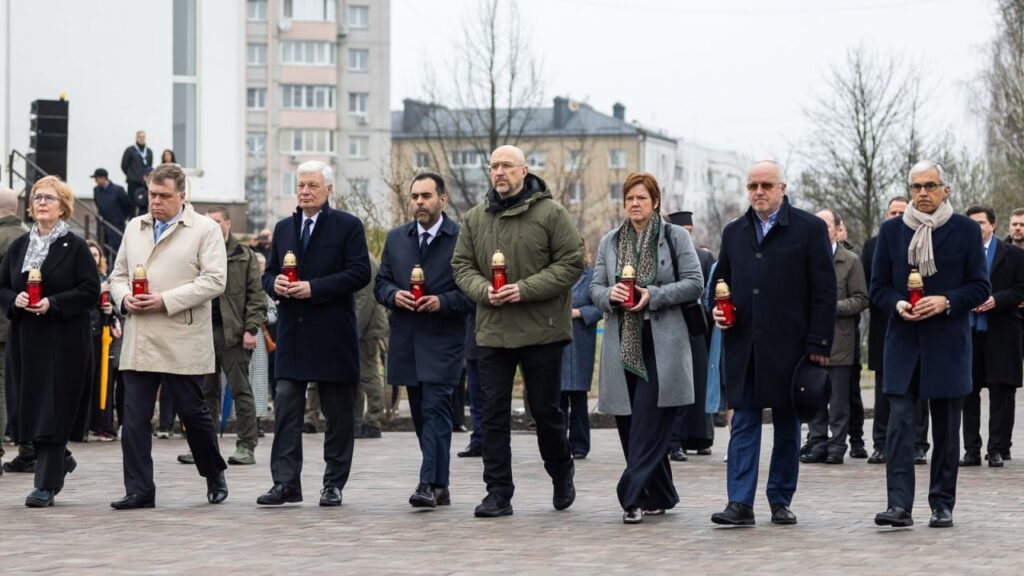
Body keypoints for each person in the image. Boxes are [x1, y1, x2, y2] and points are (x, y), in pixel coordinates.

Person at [451, 144, 583, 518]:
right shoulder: (476, 218)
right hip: (493, 331)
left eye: (507, 165)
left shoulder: (551, 213)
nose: (499, 172)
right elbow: (461, 266)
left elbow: (572, 261)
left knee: (546, 412)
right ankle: (498, 492)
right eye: (494, 166)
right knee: (491, 415)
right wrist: (483, 291)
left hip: (542, 331)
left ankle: (561, 472)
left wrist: (524, 289)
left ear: (525, 171)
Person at [710, 160, 836, 526]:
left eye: (766, 185)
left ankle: (780, 499)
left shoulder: (810, 229)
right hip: (744, 346)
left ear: (783, 188)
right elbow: (721, 282)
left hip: (792, 349)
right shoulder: (734, 231)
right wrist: (718, 310)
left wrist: (819, 345)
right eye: (752, 186)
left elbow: (825, 292)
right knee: (744, 423)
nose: (759, 192)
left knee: (786, 426)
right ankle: (739, 503)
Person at [871, 160, 989, 529]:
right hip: (903, 343)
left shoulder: (965, 230)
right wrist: (897, 304)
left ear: (945, 190)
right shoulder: (891, 232)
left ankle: (942, 504)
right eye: (917, 186)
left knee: (946, 430)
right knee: (900, 427)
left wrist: (947, 301)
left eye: (930, 186)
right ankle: (899, 505)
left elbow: (980, 286)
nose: (923, 193)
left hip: (947, 344)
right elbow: (877, 288)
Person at [109, 162, 229, 509]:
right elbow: (117, 274)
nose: (155, 202)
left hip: (182, 334)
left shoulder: (204, 229)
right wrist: (123, 297)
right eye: (151, 194)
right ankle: (139, 489)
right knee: (133, 419)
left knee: (193, 414)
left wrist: (165, 300)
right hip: (140, 336)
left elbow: (214, 281)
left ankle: (213, 471)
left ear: (182, 196)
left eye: (164, 195)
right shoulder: (135, 227)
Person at [591, 172, 704, 524]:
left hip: (662, 344)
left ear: (655, 202)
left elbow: (695, 284)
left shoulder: (673, 238)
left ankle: (632, 496)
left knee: (647, 421)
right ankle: (662, 493)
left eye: (641, 198)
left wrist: (651, 295)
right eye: (629, 198)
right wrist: (609, 296)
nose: (634, 204)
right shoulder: (610, 241)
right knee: (628, 423)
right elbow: (594, 287)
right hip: (621, 342)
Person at [258, 160, 370, 507]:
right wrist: (272, 283)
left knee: (337, 414)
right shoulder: (284, 227)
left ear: (329, 190)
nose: (305, 192)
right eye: (301, 185)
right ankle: (285, 482)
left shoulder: (347, 226)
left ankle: (333, 482)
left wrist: (314, 288)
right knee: (288, 406)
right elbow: (271, 271)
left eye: (312, 186)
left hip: (332, 333)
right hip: (294, 333)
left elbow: (359, 272)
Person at [0, 176, 100, 506]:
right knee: (27, 407)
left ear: (63, 207)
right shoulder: (18, 247)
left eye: (50, 198)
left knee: (53, 409)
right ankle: (60, 460)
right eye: (37, 198)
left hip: (63, 340)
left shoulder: (75, 247)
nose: (42, 203)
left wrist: (54, 304)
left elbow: (89, 291)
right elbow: (1, 287)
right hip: (25, 340)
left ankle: (45, 485)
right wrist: (13, 300)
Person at [375, 172, 472, 508]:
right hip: (406, 340)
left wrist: (442, 302)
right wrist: (394, 295)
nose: (419, 202)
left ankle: (426, 483)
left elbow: (472, 291)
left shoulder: (461, 238)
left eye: (426, 196)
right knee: (420, 414)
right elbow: (381, 283)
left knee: (435, 409)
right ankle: (440, 484)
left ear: (442, 200)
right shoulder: (396, 238)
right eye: (415, 196)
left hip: (443, 341)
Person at [177, 207, 267, 466]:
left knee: (240, 391)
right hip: (201, 333)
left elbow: (255, 296)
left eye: (217, 221)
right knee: (204, 394)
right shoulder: (197, 252)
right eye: (209, 222)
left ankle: (246, 446)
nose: (213, 226)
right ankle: (203, 447)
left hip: (234, 334)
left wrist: (251, 329)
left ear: (228, 223)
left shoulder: (243, 256)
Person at [862, 197, 930, 465]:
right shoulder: (873, 244)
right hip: (886, 324)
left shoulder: (924, 239)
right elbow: (872, 285)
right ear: (886, 214)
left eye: (902, 212)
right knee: (883, 390)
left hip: (921, 323)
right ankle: (881, 443)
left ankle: (918, 443)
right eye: (893, 212)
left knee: (920, 389)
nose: (897, 215)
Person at [802, 209, 868, 465]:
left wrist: (832, 306)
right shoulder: (804, 258)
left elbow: (861, 299)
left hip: (839, 340)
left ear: (837, 229)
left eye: (825, 224)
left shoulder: (849, 261)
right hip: (810, 340)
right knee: (814, 395)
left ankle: (837, 444)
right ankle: (817, 442)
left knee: (839, 399)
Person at [961, 205, 1024, 467]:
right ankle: (971, 449)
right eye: (972, 224)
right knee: (968, 393)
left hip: (1001, 331)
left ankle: (997, 448)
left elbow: (1020, 288)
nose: (977, 228)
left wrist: (995, 301)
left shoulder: (1013, 254)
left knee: (1000, 392)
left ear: (993, 225)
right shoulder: (960, 254)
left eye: (981, 223)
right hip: (969, 334)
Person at [666, 210, 716, 460]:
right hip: (670, 327)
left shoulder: (704, 258)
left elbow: (711, 292)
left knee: (699, 381)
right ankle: (674, 440)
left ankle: (701, 436)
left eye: (688, 231)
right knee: (676, 384)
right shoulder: (664, 258)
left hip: (697, 327)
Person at [561, 238, 601, 460]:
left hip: (580, 341)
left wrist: (579, 313)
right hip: (556, 341)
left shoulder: (592, 276)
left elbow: (601, 306)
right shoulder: (555, 273)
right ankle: (558, 444)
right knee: (556, 397)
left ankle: (579, 445)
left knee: (577, 397)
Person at [0, 187, 27, 474]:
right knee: (24, 386)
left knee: (2, 389)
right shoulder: (28, 236)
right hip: (26, 322)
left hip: (3, 324)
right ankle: (30, 449)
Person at [85, 239, 121, 442]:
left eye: (96, 255)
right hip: (85, 336)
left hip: (103, 336)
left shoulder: (105, 278)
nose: (93, 258)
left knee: (104, 382)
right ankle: (83, 425)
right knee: (86, 381)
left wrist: (111, 309)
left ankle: (102, 425)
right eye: (89, 254)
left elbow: (117, 305)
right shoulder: (78, 278)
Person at [354, 257, 387, 439]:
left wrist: (354, 330)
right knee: (357, 377)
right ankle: (356, 421)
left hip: (367, 328)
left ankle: (373, 420)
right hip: (364, 326)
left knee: (368, 374)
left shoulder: (365, 261)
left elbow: (365, 300)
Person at [90, 168, 131, 259]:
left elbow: (126, 205)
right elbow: (97, 203)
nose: (95, 181)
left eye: (96, 178)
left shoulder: (118, 190)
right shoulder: (96, 190)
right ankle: (105, 269)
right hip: (102, 223)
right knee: (102, 247)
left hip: (116, 223)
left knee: (116, 248)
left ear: (103, 178)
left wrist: (122, 217)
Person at [120, 130, 153, 208]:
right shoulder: (130, 150)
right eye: (139, 137)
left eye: (143, 137)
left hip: (145, 183)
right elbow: (124, 165)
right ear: (136, 138)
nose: (141, 139)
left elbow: (149, 166)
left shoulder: (149, 151)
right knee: (132, 203)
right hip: (133, 182)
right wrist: (131, 174)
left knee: (145, 202)